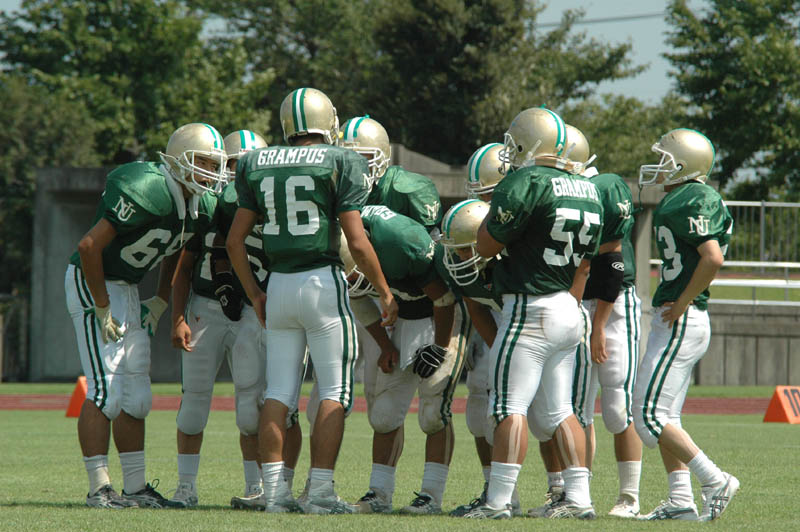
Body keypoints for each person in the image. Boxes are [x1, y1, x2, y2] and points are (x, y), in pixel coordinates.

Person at [226, 87, 398, 514]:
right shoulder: (340, 160)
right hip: (322, 283)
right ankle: (320, 492)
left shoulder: (255, 162)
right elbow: (356, 241)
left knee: (278, 392)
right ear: (328, 120)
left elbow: (234, 241)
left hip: (279, 285)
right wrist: (384, 291)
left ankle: (274, 493)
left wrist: (255, 292)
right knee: (335, 391)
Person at [64, 122, 226, 508]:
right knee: (105, 391)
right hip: (93, 282)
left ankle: (135, 487)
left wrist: (161, 299)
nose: (211, 172)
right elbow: (88, 247)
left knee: (136, 395)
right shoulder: (147, 187)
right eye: (203, 162)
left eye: (214, 164)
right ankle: (99, 489)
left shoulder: (200, 206)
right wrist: (102, 304)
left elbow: (177, 248)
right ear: (180, 159)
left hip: (128, 288)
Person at [463, 107, 604, 519]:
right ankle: (579, 499)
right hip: (567, 306)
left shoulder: (525, 181)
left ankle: (498, 501)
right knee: (561, 410)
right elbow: (585, 262)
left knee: (508, 406)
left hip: (529, 306)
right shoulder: (586, 188)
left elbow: (486, 244)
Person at [166, 129, 302, 509]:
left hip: (251, 312)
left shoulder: (278, 205)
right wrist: (176, 316)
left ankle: (256, 488)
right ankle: (186, 488)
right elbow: (183, 264)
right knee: (193, 406)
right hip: (205, 306)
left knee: (249, 408)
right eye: (233, 165)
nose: (239, 173)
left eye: (247, 165)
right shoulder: (209, 204)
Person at [536, 124, 644, 518]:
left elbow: (613, 266)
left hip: (611, 305)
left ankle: (629, 496)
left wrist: (597, 326)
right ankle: (576, 493)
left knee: (617, 407)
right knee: (575, 407)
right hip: (577, 303)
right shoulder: (561, 191)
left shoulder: (605, 187)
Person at [633, 128, 737, 521]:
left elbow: (712, 258)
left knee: (648, 414)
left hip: (681, 317)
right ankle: (680, 500)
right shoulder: (685, 197)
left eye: (665, 160)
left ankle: (715, 479)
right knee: (666, 416)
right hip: (680, 318)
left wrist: (682, 302)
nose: (658, 167)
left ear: (684, 164)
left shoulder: (694, 196)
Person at [337, 205, 463, 515]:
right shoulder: (341, 244)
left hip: (442, 315)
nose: (355, 282)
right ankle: (379, 494)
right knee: (384, 414)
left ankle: (431, 496)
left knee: (433, 411)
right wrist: (385, 345)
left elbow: (444, 298)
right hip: (403, 315)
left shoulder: (401, 243)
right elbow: (359, 301)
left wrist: (440, 347)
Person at [435, 199, 524, 518]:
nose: (459, 256)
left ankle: (561, 490)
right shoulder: (458, 265)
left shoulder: (515, 262)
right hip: (500, 329)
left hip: (535, 328)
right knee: (480, 413)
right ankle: (497, 491)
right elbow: (475, 307)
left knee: (547, 416)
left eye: (464, 248)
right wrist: (499, 351)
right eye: (455, 249)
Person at [341, 116, 442, 237]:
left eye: (362, 159)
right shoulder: (332, 187)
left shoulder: (408, 188)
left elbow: (428, 244)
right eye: (345, 160)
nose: (353, 168)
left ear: (382, 157)